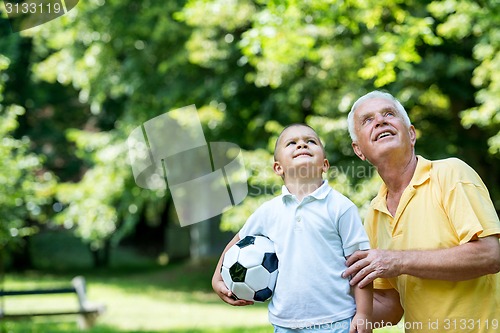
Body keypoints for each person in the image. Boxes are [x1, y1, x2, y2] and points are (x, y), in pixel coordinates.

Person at [343, 90, 500, 333]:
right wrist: (326, 309)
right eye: (368, 120)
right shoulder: (374, 214)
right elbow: (390, 305)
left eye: (389, 114)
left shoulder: (451, 174)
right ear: (359, 150)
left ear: (411, 134)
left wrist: (398, 261)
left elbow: (490, 255)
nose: (380, 121)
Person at [212, 124, 373, 333]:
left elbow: (361, 265)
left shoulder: (341, 207)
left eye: (311, 141)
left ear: (324, 164)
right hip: (285, 324)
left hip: (336, 322)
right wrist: (217, 279)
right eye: (292, 143)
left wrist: (364, 315)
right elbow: (237, 243)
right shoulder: (268, 212)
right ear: (278, 168)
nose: (302, 144)